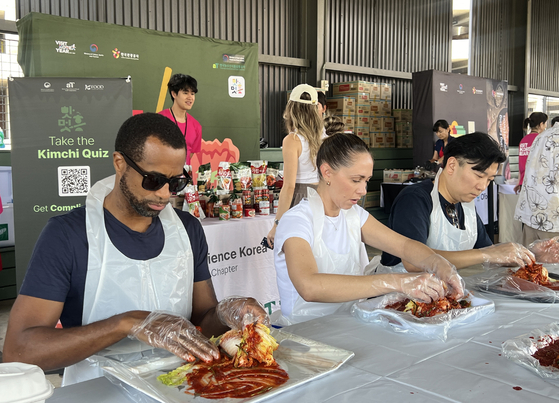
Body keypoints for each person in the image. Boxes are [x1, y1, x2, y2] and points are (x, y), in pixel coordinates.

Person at [3, 113, 267, 385]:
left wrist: (225, 313)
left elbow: (202, 325)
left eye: (176, 182)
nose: (165, 194)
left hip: (182, 386)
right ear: (120, 164)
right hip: (99, 387)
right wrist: (127, 323)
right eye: (153, 180)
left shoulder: (187, 230)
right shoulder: (68, 235)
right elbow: (20, 350)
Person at [273, 132, 465, 325]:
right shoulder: (297, 220)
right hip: (306, 332)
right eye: (356, 180)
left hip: (351, 324)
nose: (363, 190)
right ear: (327, 172)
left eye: (366, 180)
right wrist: (397, 281)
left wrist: (439, 264)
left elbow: (404, 246)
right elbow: (309, 286)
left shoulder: (354, 215)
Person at [381, 132, 534, 271]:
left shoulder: (464, 203)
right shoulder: (415, 199)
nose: (482, 186)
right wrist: (485, 254)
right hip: (400, 295)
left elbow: (489, 252)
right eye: (479, 176)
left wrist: (531, 256)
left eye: (489, 180)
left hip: (445, 294)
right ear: (452, 166)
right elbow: (413, 262)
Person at [266, 84, 325, 248]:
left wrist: (277, 224)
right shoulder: (324, 138)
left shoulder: (292, 140)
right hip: (321, 196)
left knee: (294, 251)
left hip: (299, 198)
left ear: (291, 109)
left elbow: (289, 186)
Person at [515, 119, 559, 245]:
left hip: (532, 212)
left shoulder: (542, 136)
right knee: (552, 263)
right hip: (553, 218)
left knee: (530, 261)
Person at [159, 73, 202, 165]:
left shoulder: (196, 126)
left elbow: (191, 154)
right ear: (174, 94)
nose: (190, 97)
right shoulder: (159, 120)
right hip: (162, 176)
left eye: (192, 93)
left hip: (185, 177)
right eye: (185, 93)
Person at [514, 112, 548, 194]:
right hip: (537, 183)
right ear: (541, 124)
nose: (546, 126)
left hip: (524, 183)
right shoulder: (541, 139)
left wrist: (519, 182)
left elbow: (521, 164)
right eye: (545, 123)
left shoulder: (523, 141)